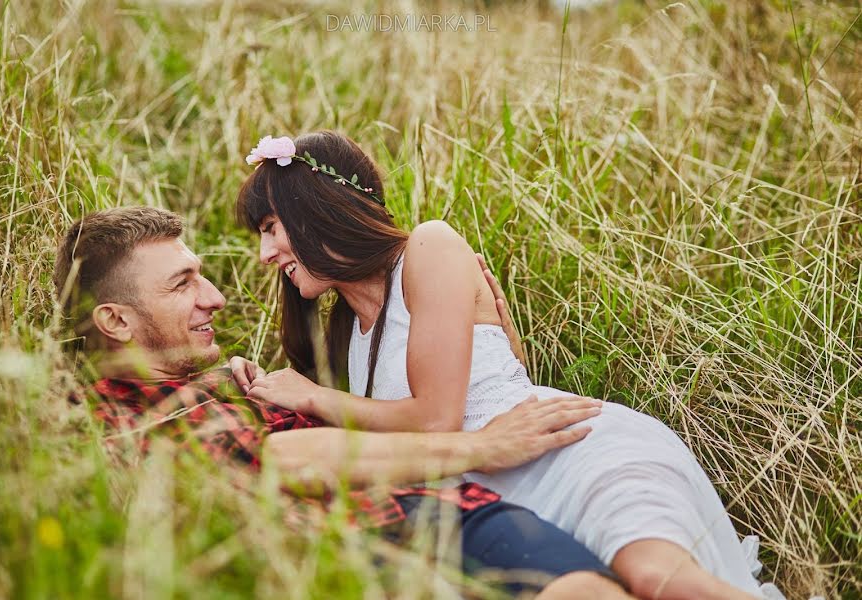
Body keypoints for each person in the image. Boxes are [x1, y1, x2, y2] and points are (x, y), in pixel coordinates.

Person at [235, 131, 769, 600]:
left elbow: (438, 418)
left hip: (567, 451)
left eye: (271, 226)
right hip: (498, 494)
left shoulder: (429, 245)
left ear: (316, 207)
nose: (265, 253)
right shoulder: (345, 331)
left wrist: (312, 394)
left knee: (659, 579)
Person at [53, 206, 633, 599]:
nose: (216, 298)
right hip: (351, 555)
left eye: (201, 276)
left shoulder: (215, 385)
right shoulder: (113, 416)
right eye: (182, 285)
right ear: (116, 320)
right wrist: (481, 445)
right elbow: (286, 459)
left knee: (590, 591)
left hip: (448, 512)